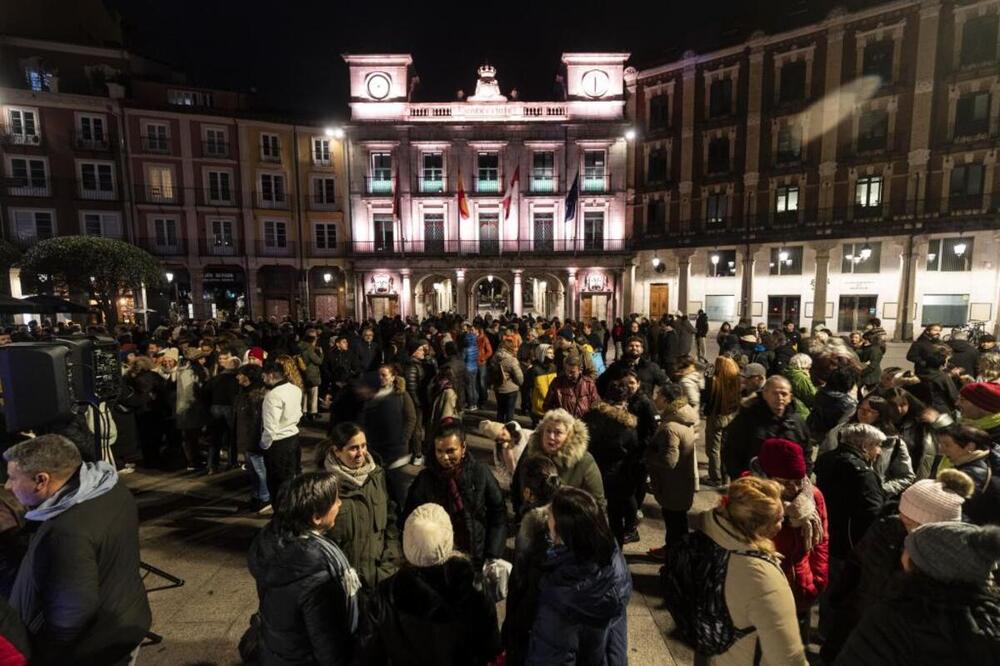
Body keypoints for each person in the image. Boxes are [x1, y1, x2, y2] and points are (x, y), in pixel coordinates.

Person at [4, 435, 151, 665]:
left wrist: (47, 658)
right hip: (124, 617)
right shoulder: (109, 488)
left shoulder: (65, 532)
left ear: (41, 480)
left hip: (93, 648)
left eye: (12, 478)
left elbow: (70, 615)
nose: (8, 486)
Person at [820, 469, 974, 662]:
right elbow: (856, 562)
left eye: (911, 522)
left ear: (938, 529)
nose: (902, 520)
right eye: (902, 514)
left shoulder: (955, 561)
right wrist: (841, 602)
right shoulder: (888, 528)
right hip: (860, 622)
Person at [835, 522, 1000, 665]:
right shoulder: (992, 622)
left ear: (926, 567)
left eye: (910, 550)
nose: (903, 553)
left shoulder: (892, 620)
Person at [363, 503, 501, 665]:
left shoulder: (385, 595)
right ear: (449, 538)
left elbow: (370, 652)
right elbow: (490, 646)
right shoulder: (473, 587)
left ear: (406, 543)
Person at [690, 477, 807, 665]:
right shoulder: (763, 579)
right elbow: (788, 658)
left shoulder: (710, 533)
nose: (782, 523)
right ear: (759, 527)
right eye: (779, 519)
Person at [248, 471, 362, 665]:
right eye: (335, 501)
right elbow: (328, 646)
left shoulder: (274, 545)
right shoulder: (317, 575)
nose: (340, 504)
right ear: (317, 517)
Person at [525, 487, 631, 666]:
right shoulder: (614, 563)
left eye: (550, 522)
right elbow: (615, 639)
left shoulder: (560, 596)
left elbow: (551, 656)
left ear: (564, 535)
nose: (547, 524)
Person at [749, 438, 829, 644]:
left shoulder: (812, 496)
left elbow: (821, 541)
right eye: (785, 482)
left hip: (801, 587)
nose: (794, 488)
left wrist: (817, 581)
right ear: (766, 476)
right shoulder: (750, 499)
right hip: (761, 593)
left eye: (798, 480)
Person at [814, 423, 886, 637]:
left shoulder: (827, 459)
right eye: (877, 446)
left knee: (829, 588)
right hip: (849, 542)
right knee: (844, 591)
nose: (879, 451)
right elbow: (872, 511)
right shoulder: (863, 474)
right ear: (865, 446)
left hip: (828, 533)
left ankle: (824, 630)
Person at [403, 422, 505, 567]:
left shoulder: (480, 473)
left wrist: (492, 555)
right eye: (439, 451)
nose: (444, 457)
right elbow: (409, 520)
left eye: (450, 451)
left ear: (463, 448)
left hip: (477, 557)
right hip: (438, 561)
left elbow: (498, 513)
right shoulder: (424, 480)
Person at [317, 423, 401, 588]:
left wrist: (390, 562)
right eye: (353, 448)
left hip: (381, 578)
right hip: (346, 585)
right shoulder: (324, 488)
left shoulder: (378, 476)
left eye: (363, 446)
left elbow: (391, 520)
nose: (360, 453)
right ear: (336, 451)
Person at [503, 457, 562, 666]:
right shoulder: (566, 512)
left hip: (532, 614)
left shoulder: (531, 526)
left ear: (527, 492)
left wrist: (510, 629)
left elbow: (521, 581)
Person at [513, 408, 606, 514]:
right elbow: (517, 485)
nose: (551, 437)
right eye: (548, 431)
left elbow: (598, 503)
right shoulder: (530, 452)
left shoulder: (584, 461)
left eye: (558, 433)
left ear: (569, 436)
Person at [582, 380, 641, 544]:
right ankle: (615, 552)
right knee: (615, 519)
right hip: (616, 478)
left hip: (589, 472)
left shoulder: (590, 416)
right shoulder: (627, 426)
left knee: (589, 514)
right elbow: (634, 454)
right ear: (624, 402)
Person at [646, 382, 698, 559]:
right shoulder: (684, 417)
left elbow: (669, 460)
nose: (655, 398)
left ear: (666, 400)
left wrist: (649, 457)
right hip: (683, 481)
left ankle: (675, 554)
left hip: (673, 484)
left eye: (658, 395)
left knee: (674, 521)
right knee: (678, 522)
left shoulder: (670, 427)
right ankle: (674, 549)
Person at [723, 375, 809, 480]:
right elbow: (731, 451)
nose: (780, 398)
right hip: (755, 484)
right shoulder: (748, 418)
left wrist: (803, 477)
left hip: (788, 486)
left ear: (790, 398)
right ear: (764, 394)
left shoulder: (798, 422)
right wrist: (740, 478)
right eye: (775, 393)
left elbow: (806, 453)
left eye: (784, 394)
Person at [935, 424, 1000, 525]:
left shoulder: (970, 476)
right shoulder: (986, 461)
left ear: (970, 446)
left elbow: (954, 513)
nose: (941, 450)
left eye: (947, 445)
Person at [261, 360, 304, 503]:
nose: (264, 380)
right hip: (294, 437)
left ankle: (281, 514)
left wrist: (264, 445)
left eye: (264, 376)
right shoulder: (295, 389)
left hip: (278, 443)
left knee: (277, 483)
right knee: (293, 477)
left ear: (271, 375)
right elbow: (299, 413)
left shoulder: (272, 396)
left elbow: (270, 426)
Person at [234, 364, 271, 513]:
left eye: (240, 374)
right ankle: (256, 496)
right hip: (246, 439)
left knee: (259, 470)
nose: (237, 377)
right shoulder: (245, 393)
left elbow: (256, 422)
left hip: (254, 440)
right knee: (253, 470)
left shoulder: (257, 397)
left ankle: (264, 498)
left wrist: (256, 441)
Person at [704, 355, 742, 486]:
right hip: (731, 416)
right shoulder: (736, 380)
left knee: (713, 448)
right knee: (724, 448)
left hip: (717, 417)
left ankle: (716, 477)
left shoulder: (715, 381)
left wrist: (707, 377)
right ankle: (725, 476)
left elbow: (707, 399)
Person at [599, 336, 668, 398]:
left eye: (637, 346)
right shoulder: (616, 366)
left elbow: (667, 385)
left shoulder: (651, 367)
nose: (634, 348)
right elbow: (601, 383)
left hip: (644, 406)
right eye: (631, 346)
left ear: (642, 349)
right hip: (621, 407)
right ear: (625, 348)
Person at [479, 419, 532, 491]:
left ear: (505, 428)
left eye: (503, 434)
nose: (504, 438)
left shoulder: (525, 434)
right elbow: (500, 468)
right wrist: (512, 479)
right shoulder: (499, 449)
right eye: (499, 439)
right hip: (519, 484)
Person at [542, 353, 601, 418]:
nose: (569, 374)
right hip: (564, 424)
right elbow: (546, 406)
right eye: (567, 371)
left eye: (572, 372)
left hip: (584, 424)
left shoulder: (589, 383)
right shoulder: (557, 383)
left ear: (580, 370)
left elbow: (596, 404)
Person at [403, 339, 432, 466]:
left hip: (419, 401)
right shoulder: (412, 367)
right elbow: (411, 387)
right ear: (413, 352)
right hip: (416, 403)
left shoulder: (418, 364)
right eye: (420, 349)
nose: (423, 352)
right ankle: (417, 454)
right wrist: (418, 403)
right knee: (417, 429)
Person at [491, 338, 524, 424]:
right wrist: (519, 384)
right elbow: (519, 377)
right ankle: (508, 431)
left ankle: (499, 428)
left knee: (500, 410)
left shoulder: (495, 357)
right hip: (511, 389)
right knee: (510, 411)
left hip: (498, 387)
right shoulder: (512, 360)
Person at [298, 332, 324, 422]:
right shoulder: (309, 349)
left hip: (302, 372)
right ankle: (313, 412)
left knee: (304, 394)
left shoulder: (300, 347)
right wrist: (321, 353)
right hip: (311, 373)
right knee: (313, 394)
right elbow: (319, 361)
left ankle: (303, 412)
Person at [783, 353, 817, 419]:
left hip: (792, 410)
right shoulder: (801, 377)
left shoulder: (787, 373)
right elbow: (813, 396)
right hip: (803, 412)